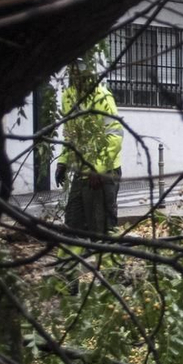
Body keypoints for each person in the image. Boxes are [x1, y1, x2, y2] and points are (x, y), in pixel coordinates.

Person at [60, 59, 122, 235]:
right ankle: (77, 260)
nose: (77, 80)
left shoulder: (103, 97)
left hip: (104, 171)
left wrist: (98, 168)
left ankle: (105, 260)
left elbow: (115, 136)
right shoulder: (68, 97)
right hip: (82, 170)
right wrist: (63, 161)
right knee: (73, 223)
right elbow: (70, 133)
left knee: (101, 228)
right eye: (73, 75)